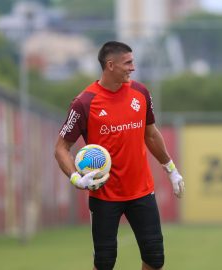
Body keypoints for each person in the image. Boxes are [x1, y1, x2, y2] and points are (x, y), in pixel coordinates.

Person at [54, 41, 185, 270]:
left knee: (155, 260)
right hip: (104, 196)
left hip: (142, 191)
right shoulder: (84, 103)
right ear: (110, 65)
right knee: (104, 263)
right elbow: (61, 148)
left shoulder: (141, 92)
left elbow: (151, 135)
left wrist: (171, 169)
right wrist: (76, 178)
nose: (132, 67)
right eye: (128, 63)